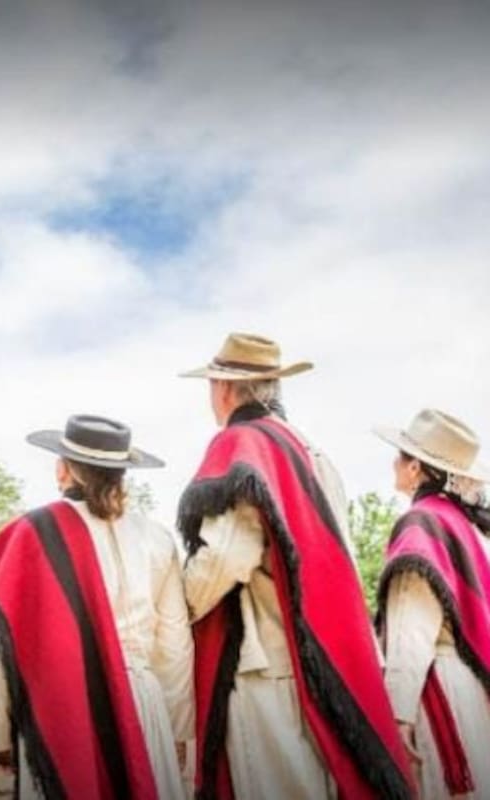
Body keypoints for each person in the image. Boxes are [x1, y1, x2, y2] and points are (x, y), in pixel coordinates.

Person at [177, 332, 412, 799]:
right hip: (319, 656)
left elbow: (227, 556)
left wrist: (174, 610)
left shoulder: (241, 444)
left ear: (223, 389)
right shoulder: (310, 450)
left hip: (262, 663)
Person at [0, 414, 192, 799]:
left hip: (65, 705)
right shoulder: (157, 538)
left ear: (62, 470)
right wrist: (178, 730)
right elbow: (176, 645)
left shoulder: (32, 534)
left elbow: (3, 645)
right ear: (121, 474)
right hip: (143, 704)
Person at [375, 409, 490, 798]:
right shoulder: (466, 526)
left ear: (416, 468)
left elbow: (411, 630)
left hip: (436, 687)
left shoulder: (422, 525)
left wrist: (399, 714)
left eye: (401, 455)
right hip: (471, 690)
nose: (394, 462)